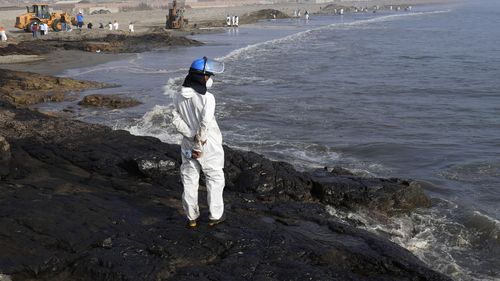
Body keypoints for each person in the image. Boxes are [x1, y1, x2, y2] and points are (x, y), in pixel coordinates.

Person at [171, 57, 226, 228]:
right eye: (209, 75)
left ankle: (191, 217)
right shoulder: (207, 98)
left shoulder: (178, 94)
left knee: (189, 178)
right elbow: (205, 123)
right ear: (201, 77)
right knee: (214, 178)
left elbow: (175, 119)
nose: (211, 79)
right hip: (207, 144)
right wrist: (198, 144)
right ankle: (215, 216)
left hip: (188, 143)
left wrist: (190, 136)